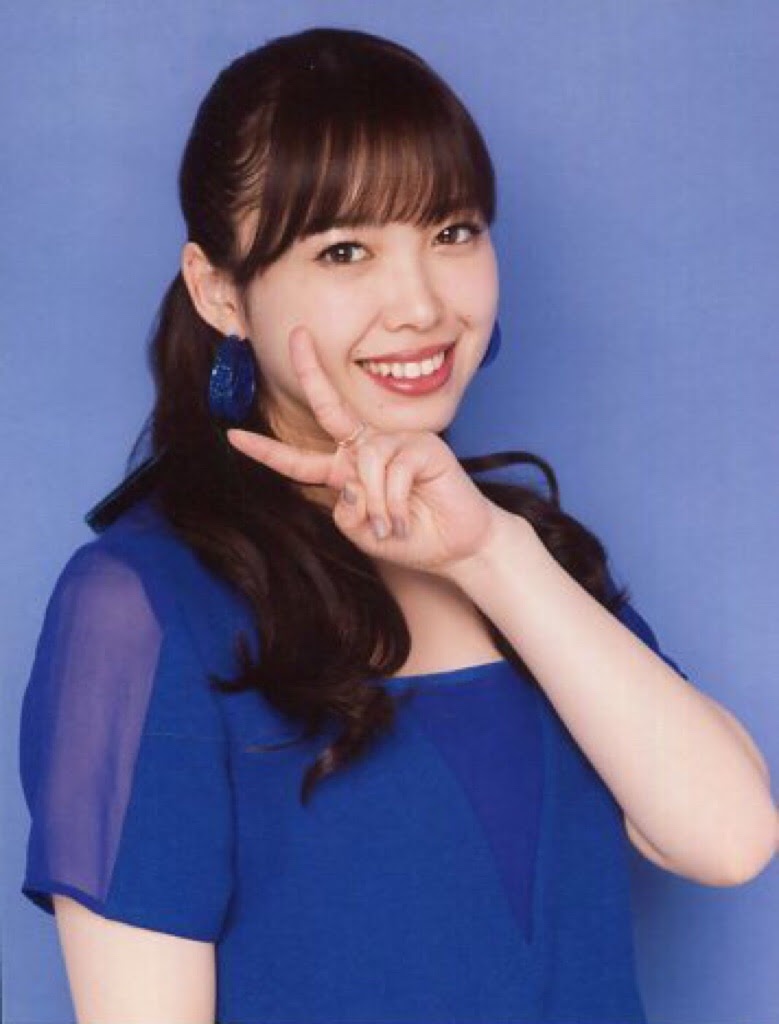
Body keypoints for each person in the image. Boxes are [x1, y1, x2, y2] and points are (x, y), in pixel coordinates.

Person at [18, 26, 776, 1024]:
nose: (420, 305)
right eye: (344, 250)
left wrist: (489, 553)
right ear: (219, 292)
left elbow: (728, 840)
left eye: (452, 232)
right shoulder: (141, 604)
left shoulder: (520, 554)